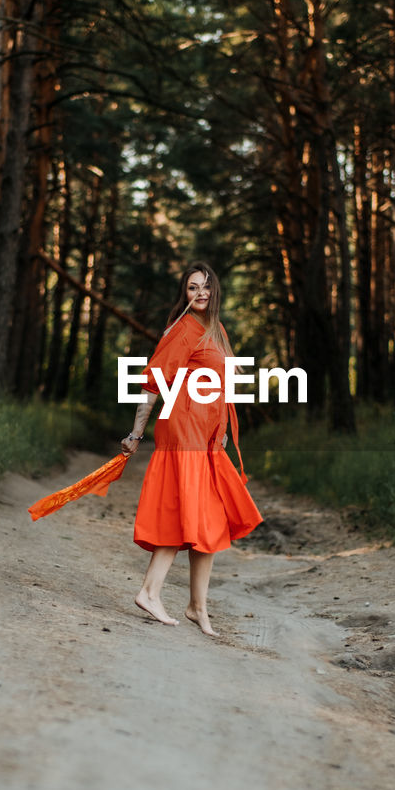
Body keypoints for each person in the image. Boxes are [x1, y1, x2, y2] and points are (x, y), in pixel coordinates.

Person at [121, 262, 263, 636]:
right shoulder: (183, 329)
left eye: (205, 287)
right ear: (184, 294)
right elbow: (153, 383)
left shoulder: (216, 330)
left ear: (215, 291)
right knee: (186, 512)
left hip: (207, 438)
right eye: (191, 288)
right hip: (184, 434)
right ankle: (150, 591)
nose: (200, 293)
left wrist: (223, 430)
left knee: (211, 520)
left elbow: (222, 384)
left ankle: (197, 606)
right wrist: (136, 433)